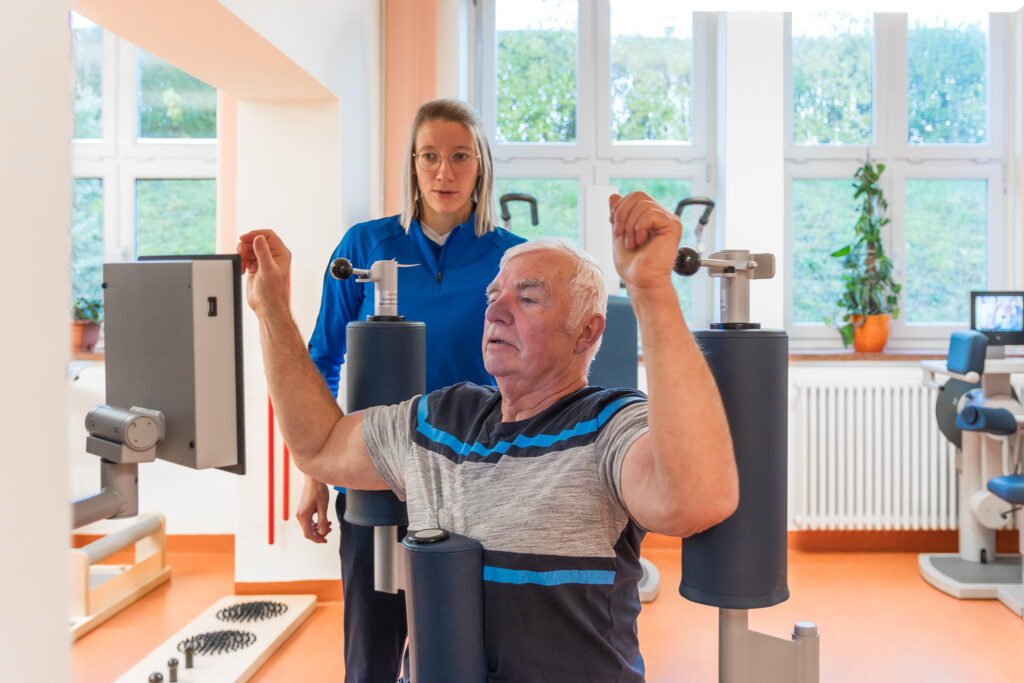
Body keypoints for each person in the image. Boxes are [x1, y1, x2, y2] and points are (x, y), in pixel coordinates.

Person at [238, 190, 739, 681]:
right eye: (494, 295)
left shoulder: (608, 425)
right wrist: (272, 312)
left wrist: (651, 290)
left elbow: (693, 499)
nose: (496, 311)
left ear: (586, 333)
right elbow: (319, 446)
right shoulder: (440, 417)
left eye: (528, 298)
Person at [298, 98, 524, 682]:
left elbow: (535, 371)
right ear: (412, 165)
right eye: (430, 157)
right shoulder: (364, 246)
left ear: (481, 167)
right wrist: (316, 472)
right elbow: (321, 357)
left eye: (459, 157)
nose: (444, 173)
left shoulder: (511, 257)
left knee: (466, 647)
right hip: (376, 469)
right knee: (371, 649)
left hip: (476, 473)